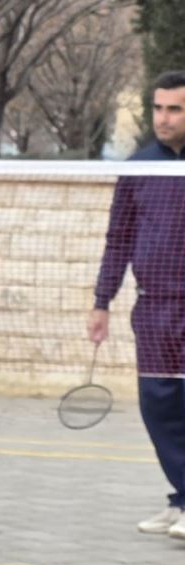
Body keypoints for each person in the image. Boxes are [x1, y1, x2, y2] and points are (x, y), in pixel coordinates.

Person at [91, 71, 185, 540]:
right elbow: (119, 237)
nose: (163, 118)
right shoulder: (140, 165)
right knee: (157, 406)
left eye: (175, 109)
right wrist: (101, 300)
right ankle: (182, 497)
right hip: (154, 309)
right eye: (158, 108)